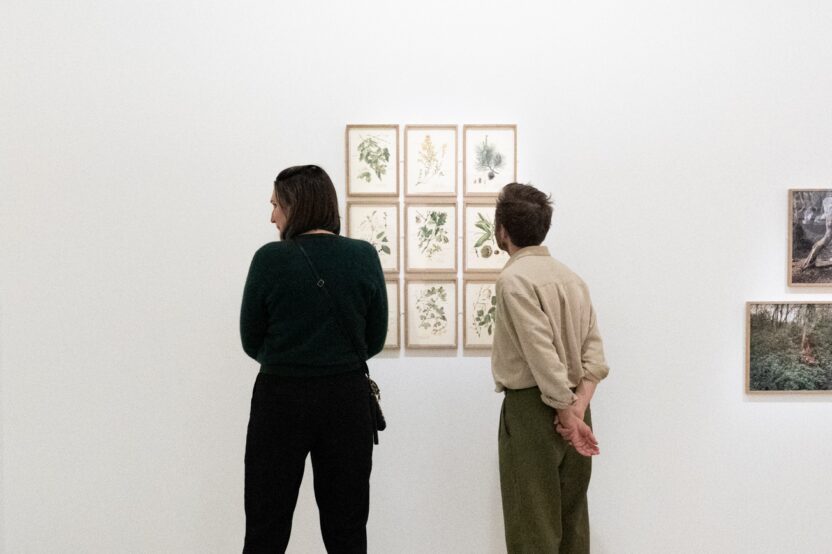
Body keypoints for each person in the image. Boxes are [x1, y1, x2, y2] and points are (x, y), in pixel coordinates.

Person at [239, 165, 388, 553]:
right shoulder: (363, 256)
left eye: (275, 205)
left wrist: (289, 358)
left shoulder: (269, 259)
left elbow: (250, 339)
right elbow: (374, 338)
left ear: (295, 206)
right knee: (347, 528)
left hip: (279, 399)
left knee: (266, 525)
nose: (272, 216)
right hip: (346, 399)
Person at [491, 183, 610, 554]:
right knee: (573, 525)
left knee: (533, 529)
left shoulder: (513, 280)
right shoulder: (572, 279)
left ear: (502, 231)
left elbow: (540, 353)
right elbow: (595, 355)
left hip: (534, 411)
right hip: (577, 408)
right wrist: (578, 409)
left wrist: (564, 412)